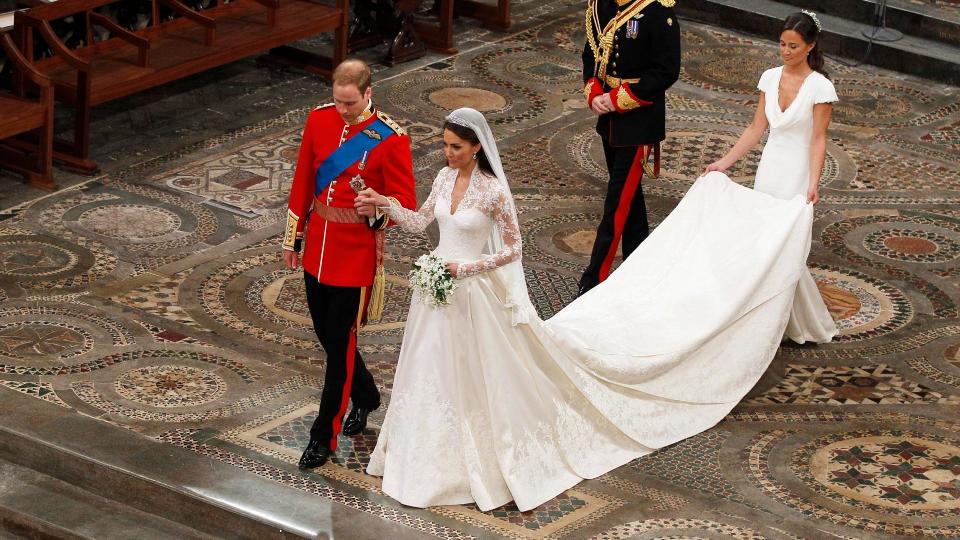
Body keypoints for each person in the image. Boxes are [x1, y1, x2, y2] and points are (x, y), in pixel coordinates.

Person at [354, 107, 814, 512]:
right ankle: (420, 457)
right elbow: (419, 223)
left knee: (474, 376)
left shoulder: (492, 192)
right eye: (445, 146)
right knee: (427, 373)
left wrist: (467, 266)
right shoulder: (441, 178)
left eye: (455, 147)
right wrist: (387, 204)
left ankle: (473, 460)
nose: (447, 153)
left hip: (471, 292)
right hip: (435, 294)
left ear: (476, 148)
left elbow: (512, 250)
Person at [282, 59, 417, 470]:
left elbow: (405, 204)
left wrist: (377, 208)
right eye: (338, 101)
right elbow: (304, 177)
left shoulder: (390, 139)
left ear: (368, 93)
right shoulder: (319, 120)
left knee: (339, 349)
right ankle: (368, 395)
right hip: (319, 245)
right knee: (328, 337)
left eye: (350, 103)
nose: (343, 110)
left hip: (355, 255)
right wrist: (294, 237)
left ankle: (323, 435)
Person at [705, 10, 838, 344]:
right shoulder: (769, 77)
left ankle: (777, 323)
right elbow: (756, 127)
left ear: (810, 46)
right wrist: (725, 162)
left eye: (793, 46)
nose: (786, 51)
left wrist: (813, 182)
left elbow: (818, 138)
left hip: (797, 171)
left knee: (783, 245)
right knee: (764, 242)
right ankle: (770, 319)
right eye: (782, 44)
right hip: (771, 167)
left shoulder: (820, 88)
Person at [578, 0, 681, 295]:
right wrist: (594, 91)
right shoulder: (601, 6)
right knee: (629, 197)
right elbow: (591, 54)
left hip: (638, 120)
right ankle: (640, 264)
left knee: (617, 201)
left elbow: (665, 71)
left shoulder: (659, 13)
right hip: (609, 117)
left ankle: (594, 278)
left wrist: (618, 99)